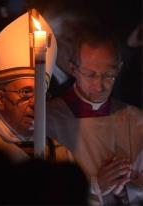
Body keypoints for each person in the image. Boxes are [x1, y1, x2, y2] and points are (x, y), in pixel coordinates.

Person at [0, 10, 74, 163]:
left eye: (42, 95)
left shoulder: (60, 156)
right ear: (0, 98)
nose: (36, 104)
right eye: (25, 92)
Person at [46, 27, 143, 205]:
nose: (99, 86)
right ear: (73, 69)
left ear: (119, 68)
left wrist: (127, 189)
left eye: (108, 74)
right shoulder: (47, 121)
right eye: (90, 75)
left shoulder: (137, 120)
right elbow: (42, 189)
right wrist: (94, 187)